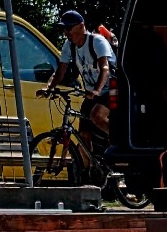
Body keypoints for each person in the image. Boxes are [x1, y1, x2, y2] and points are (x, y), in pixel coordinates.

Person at [40, 10, 116, 143]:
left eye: (68, 28)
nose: (66, 33)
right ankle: (87, 164)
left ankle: (119, 142)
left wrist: (97, 90)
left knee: (97, 115)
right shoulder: (69, 46)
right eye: (64, 29)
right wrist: (49, 88)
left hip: (110, 90)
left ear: (81, 26)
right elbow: (60, 71)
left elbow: (105, 68)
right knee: (83, 136)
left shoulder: (97, 41)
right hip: (91, 93)